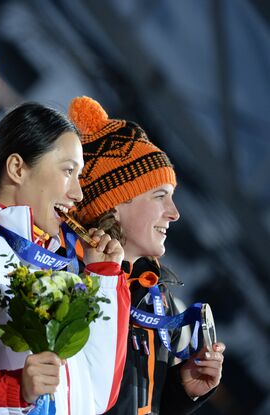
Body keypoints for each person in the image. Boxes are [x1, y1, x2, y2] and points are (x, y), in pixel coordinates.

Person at [0, 103, 131, 414]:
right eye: (68, 171)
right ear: (17, 169)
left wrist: (104, 276)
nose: (79, 193)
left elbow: (98, 398)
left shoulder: (63, 274)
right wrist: (14, 389)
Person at [68, 96, 225, 415]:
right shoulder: (68, 274)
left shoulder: (157, 299)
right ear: (115, 203)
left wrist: (181, 392)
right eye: (160, 197)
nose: (174, 213)